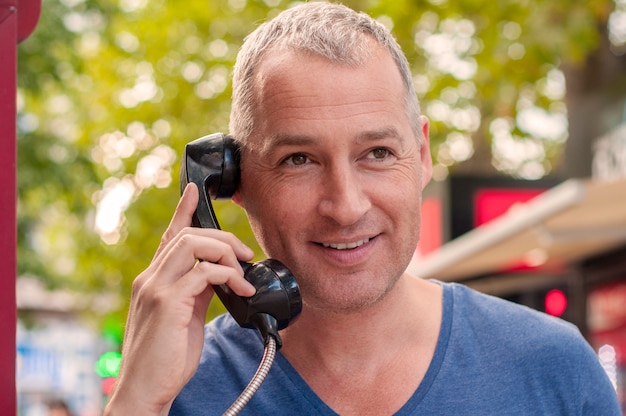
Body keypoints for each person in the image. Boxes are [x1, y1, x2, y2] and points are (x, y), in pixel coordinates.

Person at [104, 2, 621, 415]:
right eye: (299, 159)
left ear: (421, 157)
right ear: (232, 182)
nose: (347, 207)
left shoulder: (553, 368)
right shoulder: (177, 387)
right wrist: (135, 404)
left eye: (377, 153)